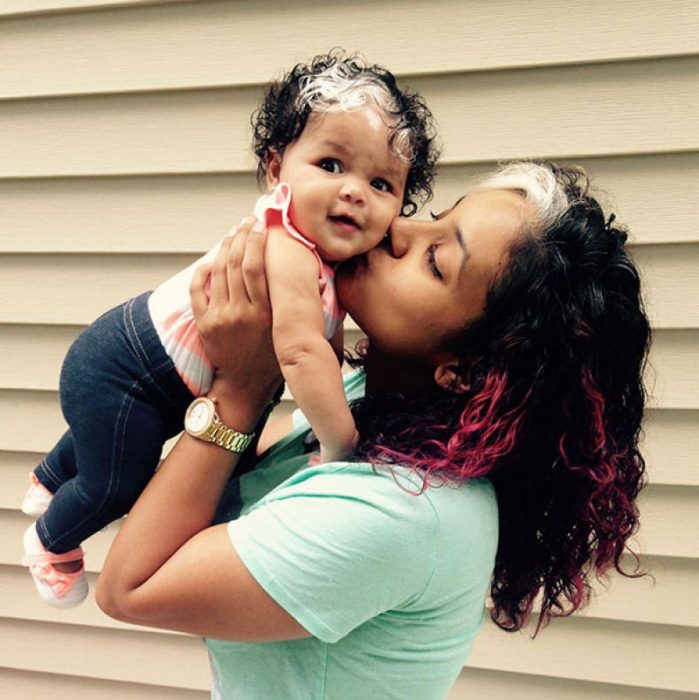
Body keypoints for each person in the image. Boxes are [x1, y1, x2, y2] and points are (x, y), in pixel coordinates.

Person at [95, 161, 651, 699]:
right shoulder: (378, 407)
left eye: (436, 260)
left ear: (465, 371)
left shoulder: (405, 513)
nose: (398, 228)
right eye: (435, 213)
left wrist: (239, 385)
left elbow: (130, 587)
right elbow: (243, 470)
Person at [20, 52, 439, 608]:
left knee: (116, 438)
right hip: (128, 372)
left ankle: (49, 478)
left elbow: (326, 344)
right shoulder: (289, 247)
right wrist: (339, 441)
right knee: (117, 481)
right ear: (275, 170)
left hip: (132, 363)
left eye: (382, 182)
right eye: (331, 166)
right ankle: (49, 542)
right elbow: (301, 351)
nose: (355, 191)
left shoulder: (324, 264)